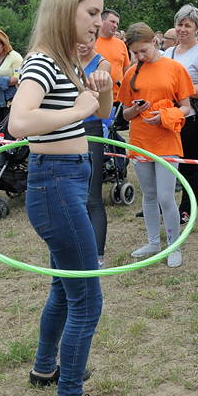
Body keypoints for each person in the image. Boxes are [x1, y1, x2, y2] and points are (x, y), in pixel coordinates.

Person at [9, 0, 120, 396]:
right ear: (64, 11)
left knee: (64, 286)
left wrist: (103, 86)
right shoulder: (42, 63)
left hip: (68, 180)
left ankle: (45, 369)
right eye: (91, 13)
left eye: (100, 14)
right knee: (87, 301)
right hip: (55, 184)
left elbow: (102, 114)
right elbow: (19, 121)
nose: (98, 22)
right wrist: (75, 108)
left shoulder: (68, 61)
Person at [119, 23, 194, 268]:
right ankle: (153, 242)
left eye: (144, 51)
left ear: (155, 42)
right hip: (140, 142)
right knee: (149, 195)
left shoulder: (174, 68)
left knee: (165, 196)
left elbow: (186, 106)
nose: (140, 57)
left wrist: (165, 117)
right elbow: (126, 115)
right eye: (135, 53)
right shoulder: (131, 73)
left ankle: (174, 245)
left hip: (167, 141)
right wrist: (134, 109)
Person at [162, 4, 198, 225]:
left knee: (188, 165)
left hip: (193, 119)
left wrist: (183, 90)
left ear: (196, 28)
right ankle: (163, 205)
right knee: (167, 163)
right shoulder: (168, 53)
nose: (182, 29)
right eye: (179, 24)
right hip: (169, 117)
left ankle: (188, 209)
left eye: (188, 25)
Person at [78, 39, 113, 267]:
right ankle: (78, 249)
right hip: (66, 128)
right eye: (77, 40)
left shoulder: (102, 64)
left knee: (92, 195)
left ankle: (97, 256)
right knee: (74, 196)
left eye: (87, 40)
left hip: (90, 128)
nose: (82, 45)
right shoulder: (65, 60)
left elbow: (94, 96)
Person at [94, 9, 131, 101]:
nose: (115, 26)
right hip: (96, 96)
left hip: (118, 98)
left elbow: (126, 71)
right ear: (101, 21)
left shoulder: (121, 44)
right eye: (112, 22)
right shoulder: (91, 42)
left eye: (117, 24)